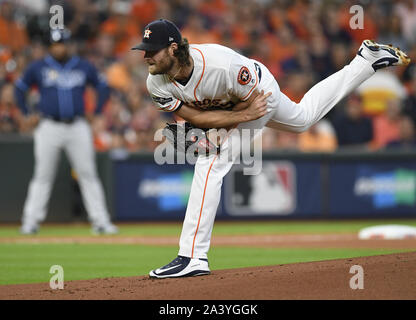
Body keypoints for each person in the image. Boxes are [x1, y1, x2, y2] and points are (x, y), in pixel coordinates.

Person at [132, 19, 410, 278]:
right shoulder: (155, 81)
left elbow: (253, 106)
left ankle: (192, 256)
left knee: (211, 161)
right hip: (236, 108)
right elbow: (195, 117)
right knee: (302, 119)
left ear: (172, 49)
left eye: (151, 51)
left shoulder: (221, 65)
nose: (145, 57)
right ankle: (365, 62)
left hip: (259, 92)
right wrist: (216, 126)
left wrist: (226, 126)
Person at [15, 29, 118, 235]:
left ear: (68, 44)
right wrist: (28, 113)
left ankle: (100, 221)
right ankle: (31, 221)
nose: (59, 47)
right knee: (43, 175)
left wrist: (96, 112)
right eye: (55, 44)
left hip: (78, 125)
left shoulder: (82, 65)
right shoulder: (39, 66)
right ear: (49, 47)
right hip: (49, 126)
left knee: (88, 174)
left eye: (62, 43)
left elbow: (103, 86)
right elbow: (19, 88)